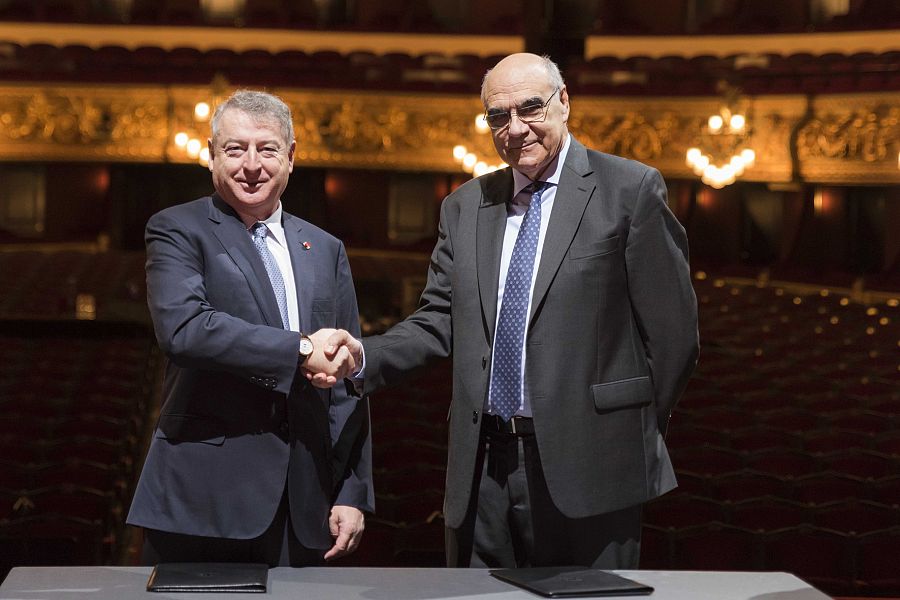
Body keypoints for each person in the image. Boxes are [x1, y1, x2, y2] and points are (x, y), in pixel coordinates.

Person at [315, 53, 698, 569]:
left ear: (564, 103)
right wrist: (364, 355)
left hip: (594, 464)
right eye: (499, 116)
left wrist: (626, 432)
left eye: (530, 108)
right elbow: (436, 321)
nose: (515, 129)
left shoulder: (629, 190)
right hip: (483, 467)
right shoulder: (465, 205)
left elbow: (674, 339)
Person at [126, 90, 373, 567]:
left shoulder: (324, 247)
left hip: (305, 502)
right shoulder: (177, 228)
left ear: (292, 157)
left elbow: (347, 378)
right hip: (203, 499)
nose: (251, 165)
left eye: (267, 149)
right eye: (235, 149)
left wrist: (352, 490)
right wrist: (301, 348)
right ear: (212, 155)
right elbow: (186, 329)